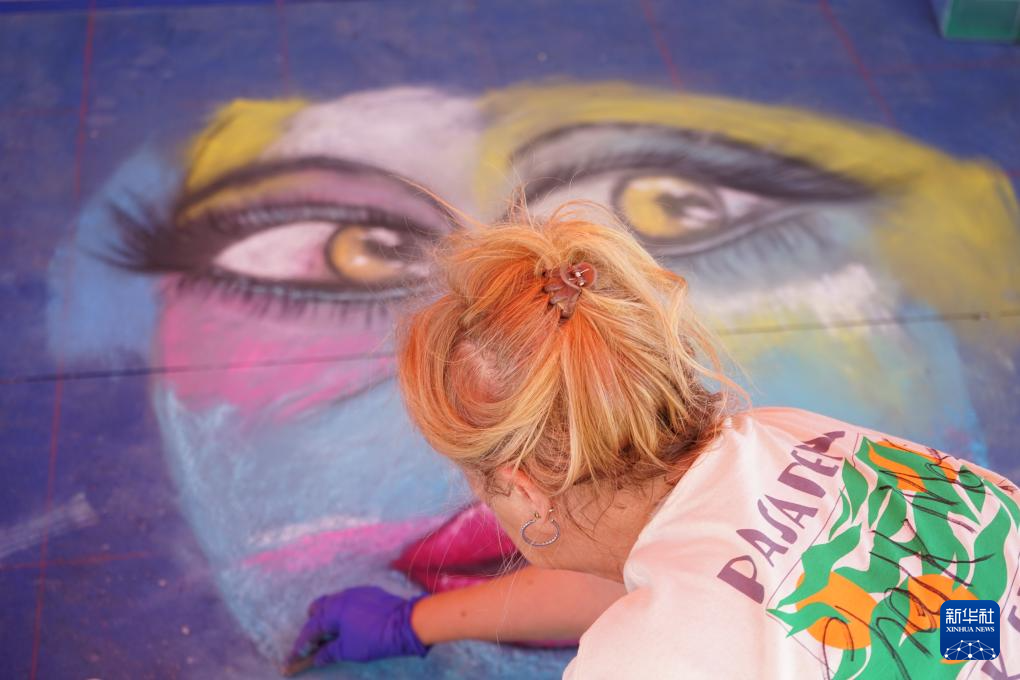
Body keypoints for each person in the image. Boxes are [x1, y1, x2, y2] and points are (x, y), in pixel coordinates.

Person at [287, 201, 1020, 678]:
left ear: (520, 487)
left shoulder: (637, 665)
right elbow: (668, 582)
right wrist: (415, 622)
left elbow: (685, 621)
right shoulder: (789, 438)